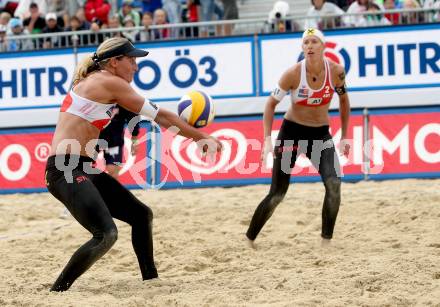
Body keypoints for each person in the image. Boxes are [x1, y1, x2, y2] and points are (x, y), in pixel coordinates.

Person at [45, 37, 222, 291]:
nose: (136, 67)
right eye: (132, 60)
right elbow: (160, 115)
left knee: (141, 215)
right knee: (106, 234)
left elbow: (144, 116)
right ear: (115, 62)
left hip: (82, 166)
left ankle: (151, 281)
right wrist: (201, 136)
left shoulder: (98, 81)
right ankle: (58, 291)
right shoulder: (108, 82)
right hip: (64, 169)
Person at [246, 28, 351, 247]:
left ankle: (326, 242)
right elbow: (270, 104)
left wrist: (345, 135)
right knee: (277, 194)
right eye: (306, 42)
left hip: (320, 135)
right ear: (302, 48)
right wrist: (267, 139)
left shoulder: (336, 72)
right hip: (291, 134)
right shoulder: (292, 73)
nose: (310, 46)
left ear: (323, 46)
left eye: (314, 42)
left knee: (334, 184)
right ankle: (250, 238)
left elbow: (343, 101)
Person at [97, 105, 141, 179]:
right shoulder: (94, 97)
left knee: (112, 170)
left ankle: (112, 190)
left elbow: (133, 120)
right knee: (84, 168)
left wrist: (134, 141)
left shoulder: (122, 100)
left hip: (113, 141)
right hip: (91, 139)